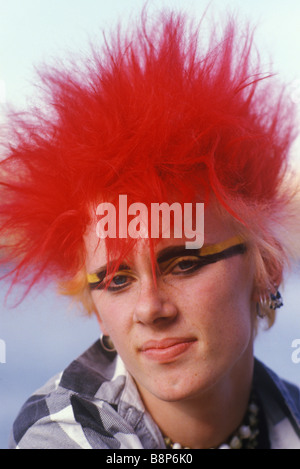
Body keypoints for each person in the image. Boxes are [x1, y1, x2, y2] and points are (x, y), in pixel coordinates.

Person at [0, 7, 299, 449]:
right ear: (98, 311)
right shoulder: (63, 436)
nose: (149, 309)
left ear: (267, 269)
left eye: (183, 264)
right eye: (119, 278)